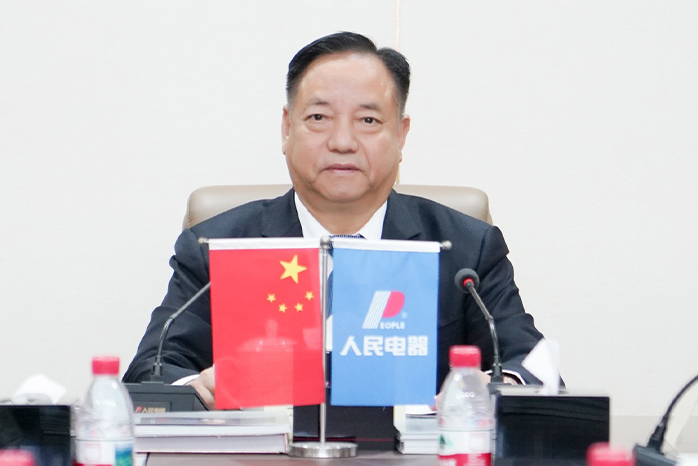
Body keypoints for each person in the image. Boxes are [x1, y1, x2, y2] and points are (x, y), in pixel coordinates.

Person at [123, 32, 545, 409]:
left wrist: (492, 390)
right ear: (287, 128)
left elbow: (529, 365)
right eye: (319, 118)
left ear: (401, 134)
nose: (342, 142)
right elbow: (152, 369)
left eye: (368, 121)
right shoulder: (217, 246)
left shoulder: (466, 248)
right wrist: (197, 390)